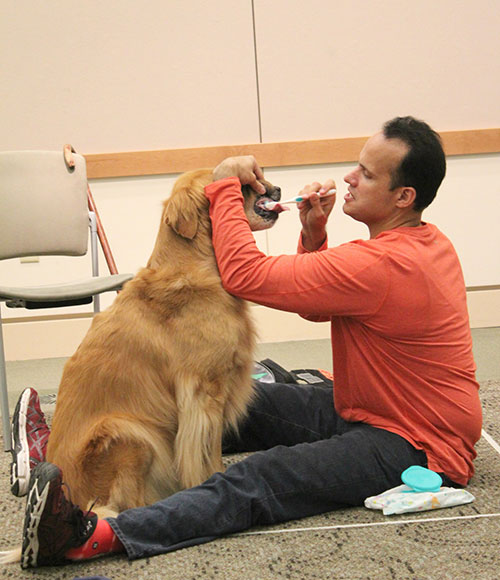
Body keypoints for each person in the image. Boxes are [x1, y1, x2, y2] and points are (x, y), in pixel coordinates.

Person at [4, 116, 482, 569]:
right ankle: (63, 455)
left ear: (404, 197)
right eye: (357, 165)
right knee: (239, 400)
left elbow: (246, 273)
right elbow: (319, 304)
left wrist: (223, 187)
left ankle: (88, 536)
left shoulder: (384, 264)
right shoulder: (418, 243)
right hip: (374, 408)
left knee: (262, 477)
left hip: (414, 442)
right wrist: (313, 235)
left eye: (367, 174)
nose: (350, 178)